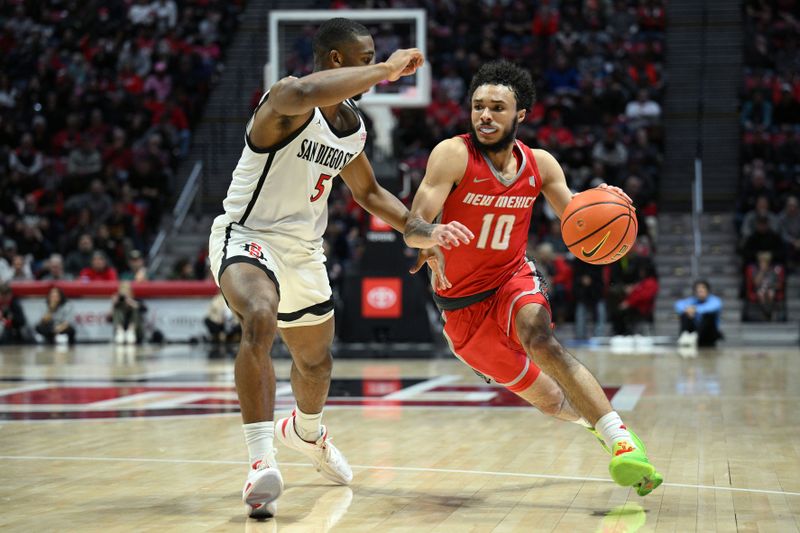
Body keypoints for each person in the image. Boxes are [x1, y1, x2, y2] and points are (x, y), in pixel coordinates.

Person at [206, 18, 438, 518]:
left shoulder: (352, 126)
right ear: (337, 59)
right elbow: (311, 89)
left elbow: (370, 193)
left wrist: (420, 229)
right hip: (248, 235)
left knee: (316, 362)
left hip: (304, 252)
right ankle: (261, 462)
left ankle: (306, 433)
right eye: (366, 56)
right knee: (260, 317)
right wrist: (387, 69)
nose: (375, 63)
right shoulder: (287, 99)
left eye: (377, 56)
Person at [403, 61, 662, 497]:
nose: (485, 115)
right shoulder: (452, 154)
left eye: (497, 108)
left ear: (520, 114)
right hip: (461, 310)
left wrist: (608, 202)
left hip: (511, 279)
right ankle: (593, 423)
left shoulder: (539, 164)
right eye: (478, 106)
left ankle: (621, 441)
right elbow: (412, 223)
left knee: (540, 338)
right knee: (551, 400)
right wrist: (431, 233)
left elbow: (577, 217)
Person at [674, 280, 723, 347]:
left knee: (708, 315)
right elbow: (678, 304)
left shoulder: (715, 300)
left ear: (708, 290)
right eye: (698, 290)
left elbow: (713, 307)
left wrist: (695, 309)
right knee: (685, 314)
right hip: (693, 330)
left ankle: (695, 337)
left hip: (709, 334)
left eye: (703, 289)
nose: (700, 292)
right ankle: (685, 336)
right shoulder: (692, 300)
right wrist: (688, 310)